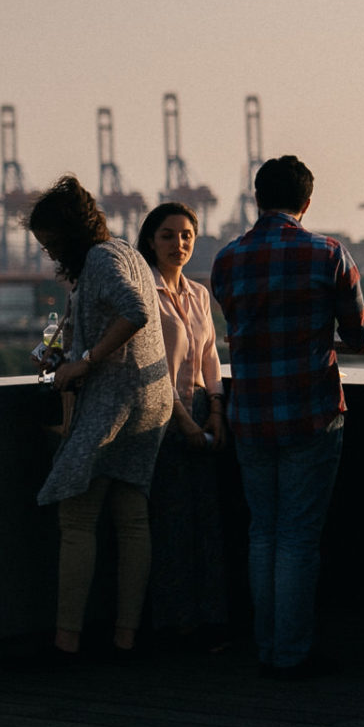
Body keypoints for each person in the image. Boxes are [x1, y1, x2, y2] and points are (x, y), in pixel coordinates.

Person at [211, 156, 364, 679]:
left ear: (256, 197)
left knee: (262, 532)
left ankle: (267, 648)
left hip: (251, 414)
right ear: (307, 203)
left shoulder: (227, 259)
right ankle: (291, 654)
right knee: (298, 537)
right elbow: (358, 334)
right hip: (310, 412)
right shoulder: (328, 254)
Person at [26, 175, 173, 659]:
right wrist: (54, 352)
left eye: (49, 243)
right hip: (153, 398)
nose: (48, 253)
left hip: (115, 400)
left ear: (67, 232)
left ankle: (66, 642)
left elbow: (134, 312)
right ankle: (125, 637)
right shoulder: (124, 252)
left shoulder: (100, 259)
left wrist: (85, 364)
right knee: (131, 519)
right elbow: (80, 320)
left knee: (76, 516)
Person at [137, 201, 230, 650]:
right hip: (163, 414)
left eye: (187, 235)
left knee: (207, 519)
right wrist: (184, 420)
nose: (179, 244)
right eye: (169, 235)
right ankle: (174, 625)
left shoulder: (198, 293)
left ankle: (209, 619)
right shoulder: (145, 294)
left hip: (200, 407)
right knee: (171, 521)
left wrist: (215, 408)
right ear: (150, 242)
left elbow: (210, 355)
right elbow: (154, 365)